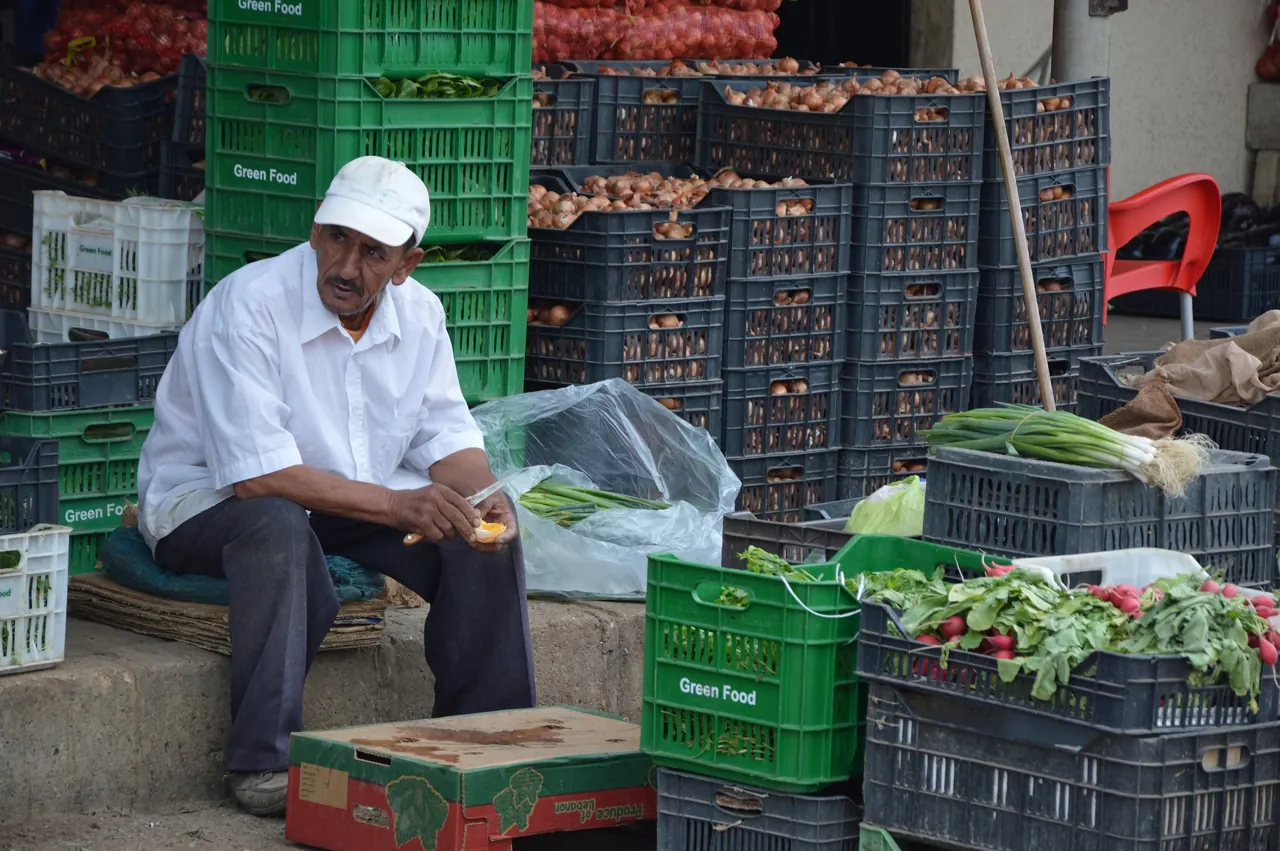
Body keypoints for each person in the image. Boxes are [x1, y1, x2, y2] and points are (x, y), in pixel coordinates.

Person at [136, 156, 536, 817]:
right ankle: (261, 759)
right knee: (278, 525)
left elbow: (446, 438)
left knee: (478, 532)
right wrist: (398, 502)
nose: (346, 266)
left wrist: (484, 494)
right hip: (208, 502)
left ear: (408, 264)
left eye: (373, 252)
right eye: (336, 239)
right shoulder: (250, 304)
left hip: (346, 496)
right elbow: (257, 475)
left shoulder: (421, 316)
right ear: (315, 229)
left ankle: (487, 740)